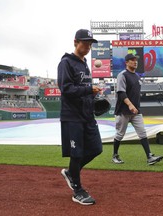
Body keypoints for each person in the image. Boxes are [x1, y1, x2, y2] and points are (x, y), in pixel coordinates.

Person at [57, 29, 103, 205]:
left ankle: (70, 172)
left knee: (96, 148)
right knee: (76, 154)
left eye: (90, 43)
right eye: (85, 42)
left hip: (86, 115)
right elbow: (66, 90)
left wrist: (94, 96)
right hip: (72, 116)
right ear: (75, 42)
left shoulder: (84, 64)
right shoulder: (66, 63)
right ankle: (77, 190)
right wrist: (88, 89)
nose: (88, 46)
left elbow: (84, 90)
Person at [112, 53, 163, 165]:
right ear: (126, 62)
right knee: (120, 134)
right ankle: (115, 155)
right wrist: (130, 105)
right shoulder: (122, 75)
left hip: (136, 111)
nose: (135, 62)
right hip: (123, 111)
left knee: (142, 133)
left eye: (136, 60)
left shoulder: (137, 76)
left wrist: (135, 107)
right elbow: (121, 93)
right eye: (132, 60)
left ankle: (149, 156)